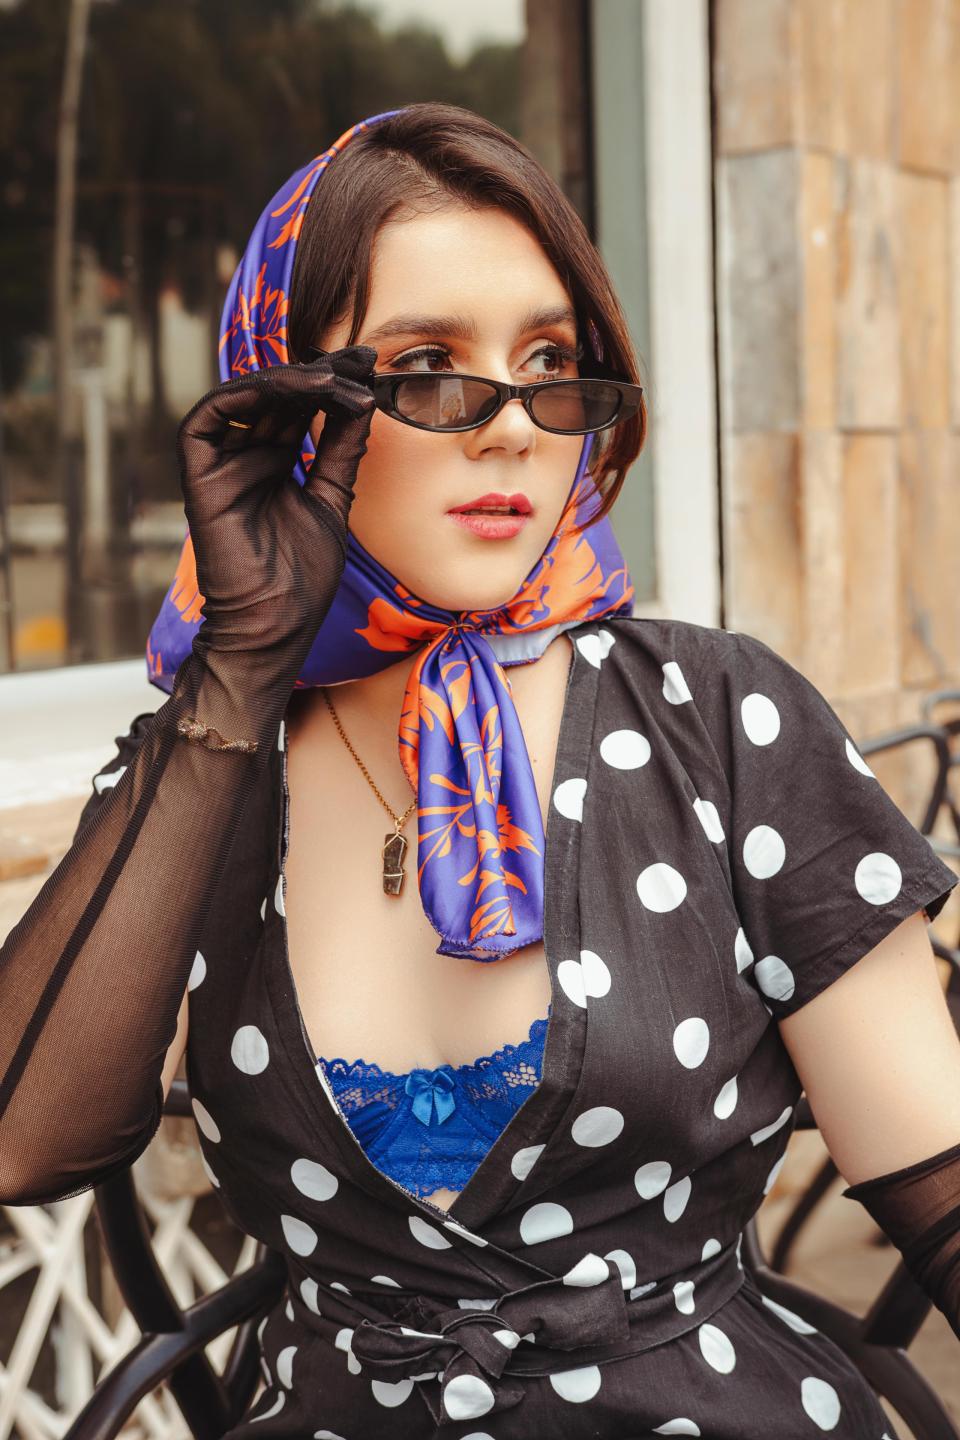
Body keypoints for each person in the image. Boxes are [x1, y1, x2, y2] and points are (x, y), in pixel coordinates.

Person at [1, 101, 958, 1439]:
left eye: (550, 362)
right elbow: (25, 1140)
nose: (512, 426)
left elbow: (943, 1193)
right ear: (289, 405)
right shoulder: (216, 763)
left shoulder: (719, 721)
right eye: (428, 368)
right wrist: (239, 669)